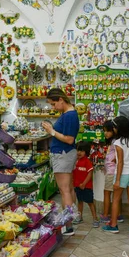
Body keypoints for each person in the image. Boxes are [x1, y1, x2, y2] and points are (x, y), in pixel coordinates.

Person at [41, 88, 80, 236]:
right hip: (65, 154)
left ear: (61, 100)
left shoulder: (69, 115)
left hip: (62, 154)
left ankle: (68, 225)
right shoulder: (68, 113)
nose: (53, 107)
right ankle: (71, 219)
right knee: (69, 189)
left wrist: (51, 131)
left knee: (64, 191)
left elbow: (69, 139)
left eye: (53, 104)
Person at [102, 116, 129, 235]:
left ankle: (113, 225)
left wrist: (118, 180)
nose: (113, 129)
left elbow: (121, 163)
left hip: (123, 173)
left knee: (116, 199)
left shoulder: (119, 143)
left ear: (118, 128)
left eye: (114, 127)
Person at [100, 120, 124, 224]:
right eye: (104, 131)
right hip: (114, 171)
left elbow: (116, 157)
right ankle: (118, 215)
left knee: (107, 192)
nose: (105, 133)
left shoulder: (115, 142)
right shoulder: (115, 141)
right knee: (117, 195)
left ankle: (105, 215)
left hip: (111, 171)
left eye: (108, 131)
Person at [72, 141, 100, 228]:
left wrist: (84, 183)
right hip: (77, 186)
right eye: (78, 150)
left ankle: (95, 218)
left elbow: (90, 173)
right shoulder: (75, 161)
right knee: (79, 201)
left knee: (90, 202)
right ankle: (80, 217)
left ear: (86, 152)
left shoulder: (87, 161)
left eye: (82, 151)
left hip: (86, 186)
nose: (79, 152)